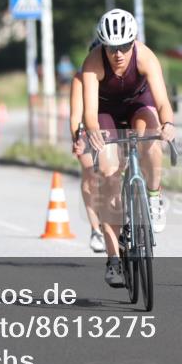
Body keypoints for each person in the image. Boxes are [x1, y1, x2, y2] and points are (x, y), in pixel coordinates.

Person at [80, 9, 176, 288]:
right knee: (109, 174)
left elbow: (162, 101)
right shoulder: (92, 64)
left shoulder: (145, 56)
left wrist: (168, 123)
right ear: (103, 45)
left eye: (124, 46)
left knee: (153, 138)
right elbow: (89, 111)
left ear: (133, 42)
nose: (119, 54)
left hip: (138, 104)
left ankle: (155, 198)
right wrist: (94, 133)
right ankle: (113, 260)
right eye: (112, 48)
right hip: (106, 111)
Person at [69, 38, 106, 253]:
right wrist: (77, 139)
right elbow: (76, 116)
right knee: (90, 172)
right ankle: (96, 229)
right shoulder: (81, 78)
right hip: (87, 129)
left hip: (112, 128)